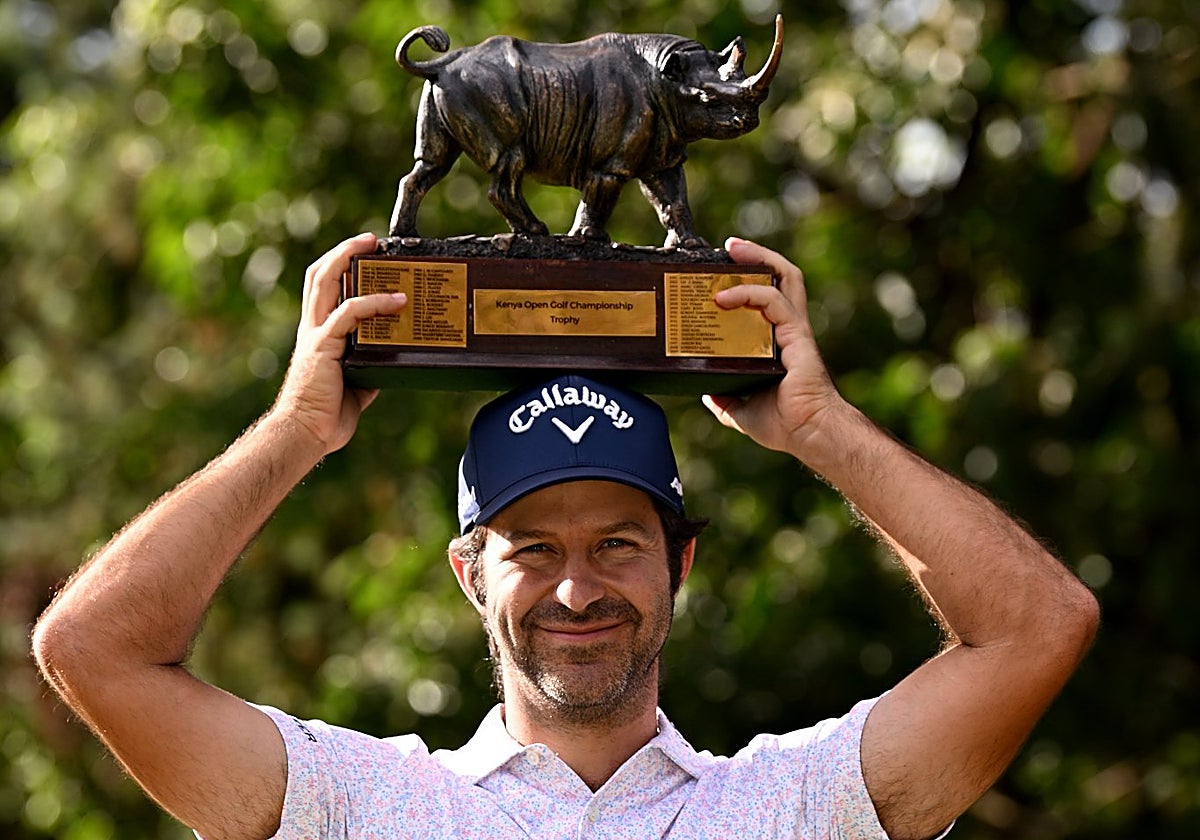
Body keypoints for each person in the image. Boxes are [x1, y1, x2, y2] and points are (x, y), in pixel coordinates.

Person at [32, 231, 1099, 840]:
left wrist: (822, 429)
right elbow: (90, 650)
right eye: (533, 548)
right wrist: (292, 432)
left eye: (619, 546)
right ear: (468, 575)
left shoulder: (797, 803)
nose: (578, 590)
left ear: (682, 564)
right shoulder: (356, 803)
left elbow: (1039, 627)